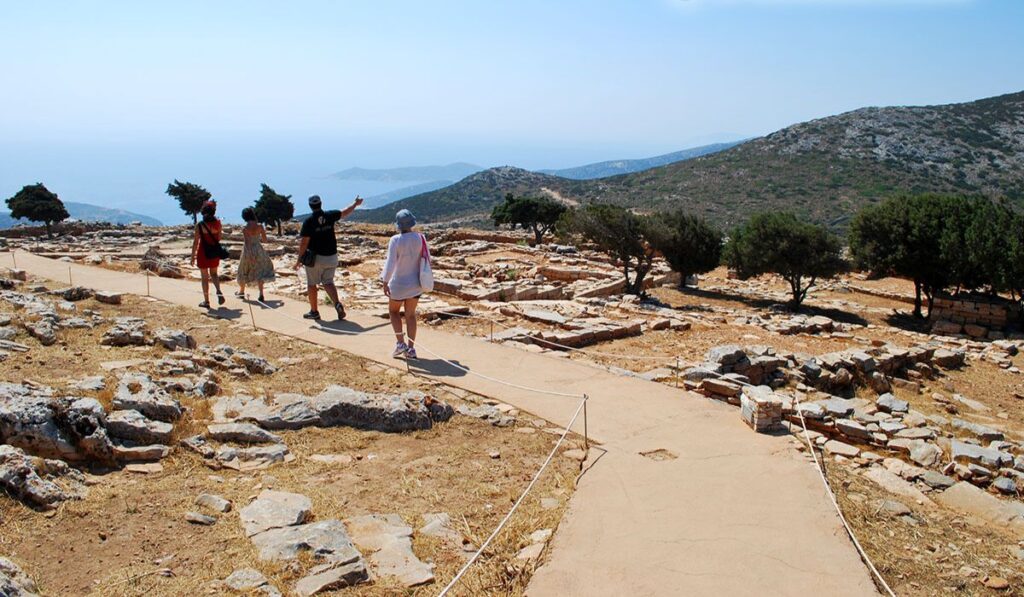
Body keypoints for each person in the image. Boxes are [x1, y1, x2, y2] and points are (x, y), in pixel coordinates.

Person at [295, 194, 363, 320]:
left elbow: (304, 242)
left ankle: (314, 311)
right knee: (328, 282)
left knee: (312, 284)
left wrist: (299, 259)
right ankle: (337, 304)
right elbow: (345, 212)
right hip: (332, 256)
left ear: (310, 206)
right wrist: (355, 204)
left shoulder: (309, 221)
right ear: (321, 203)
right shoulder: (330, 215)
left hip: (316, 258)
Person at [381, 209, 430, 359]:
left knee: (393, 312)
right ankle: (411, 349)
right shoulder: (421, 238)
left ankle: (400, 343)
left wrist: (385, 281)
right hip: (415, 283)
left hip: (399, 284)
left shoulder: (395, 240)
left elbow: (391, 263)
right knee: (410, 315)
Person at [236, 207, 276, 302]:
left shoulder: (245, 228)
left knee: (243, 270)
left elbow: (247, 243)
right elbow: (265, 240)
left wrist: (250, 256)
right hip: (258, 249)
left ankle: (241, 292)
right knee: (260, 271)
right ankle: (261, 294)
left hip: (248, 251)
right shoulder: (260, 226)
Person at [191, 200, 225, 309]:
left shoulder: (199, 225)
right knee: (214, 274)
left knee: (204, 277)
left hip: (203, 253)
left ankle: (206, 301)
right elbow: (219, 238)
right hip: (214, 251)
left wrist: (193, 256)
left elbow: (196, 242)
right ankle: (218, 290)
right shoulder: (218, 223)